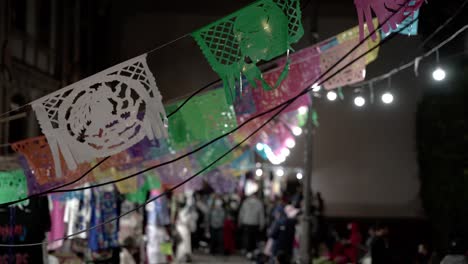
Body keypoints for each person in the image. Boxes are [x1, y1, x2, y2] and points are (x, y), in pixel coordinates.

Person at [238, 191, 265, 259]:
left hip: (246, 223)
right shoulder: (259, 203)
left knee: (247, 238)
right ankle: (252, 252)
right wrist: (262, 224)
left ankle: (247, 251)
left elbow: (241, 213)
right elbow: (261, 215)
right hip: (255, 223)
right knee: (254, 239)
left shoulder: (245, 202)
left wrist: (240, 222)